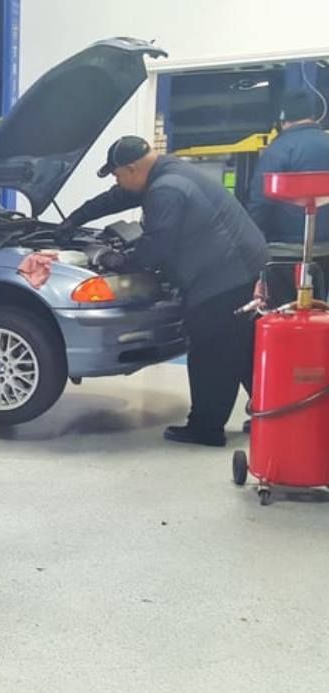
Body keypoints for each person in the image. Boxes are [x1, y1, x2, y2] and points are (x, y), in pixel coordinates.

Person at [57, 135, 266, 447]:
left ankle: (205, 428)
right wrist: (76, 218)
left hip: (223, 277)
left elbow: (157, 249)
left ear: (131, 168)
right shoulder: (165, 172)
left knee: (212, 352)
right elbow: (118, 197)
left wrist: (118, 260)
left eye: (116, 173)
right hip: (246, 268)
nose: (116, 180)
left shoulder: (165, 190)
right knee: (243, 349)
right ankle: (272, 416)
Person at [246, 89, 329, 303]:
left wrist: (251, 243)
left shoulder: (279, 150)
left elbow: (260, 203)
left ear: (283, 119)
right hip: (326, 252)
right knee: (320, 312)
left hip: (285, 253)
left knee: (286, 313)